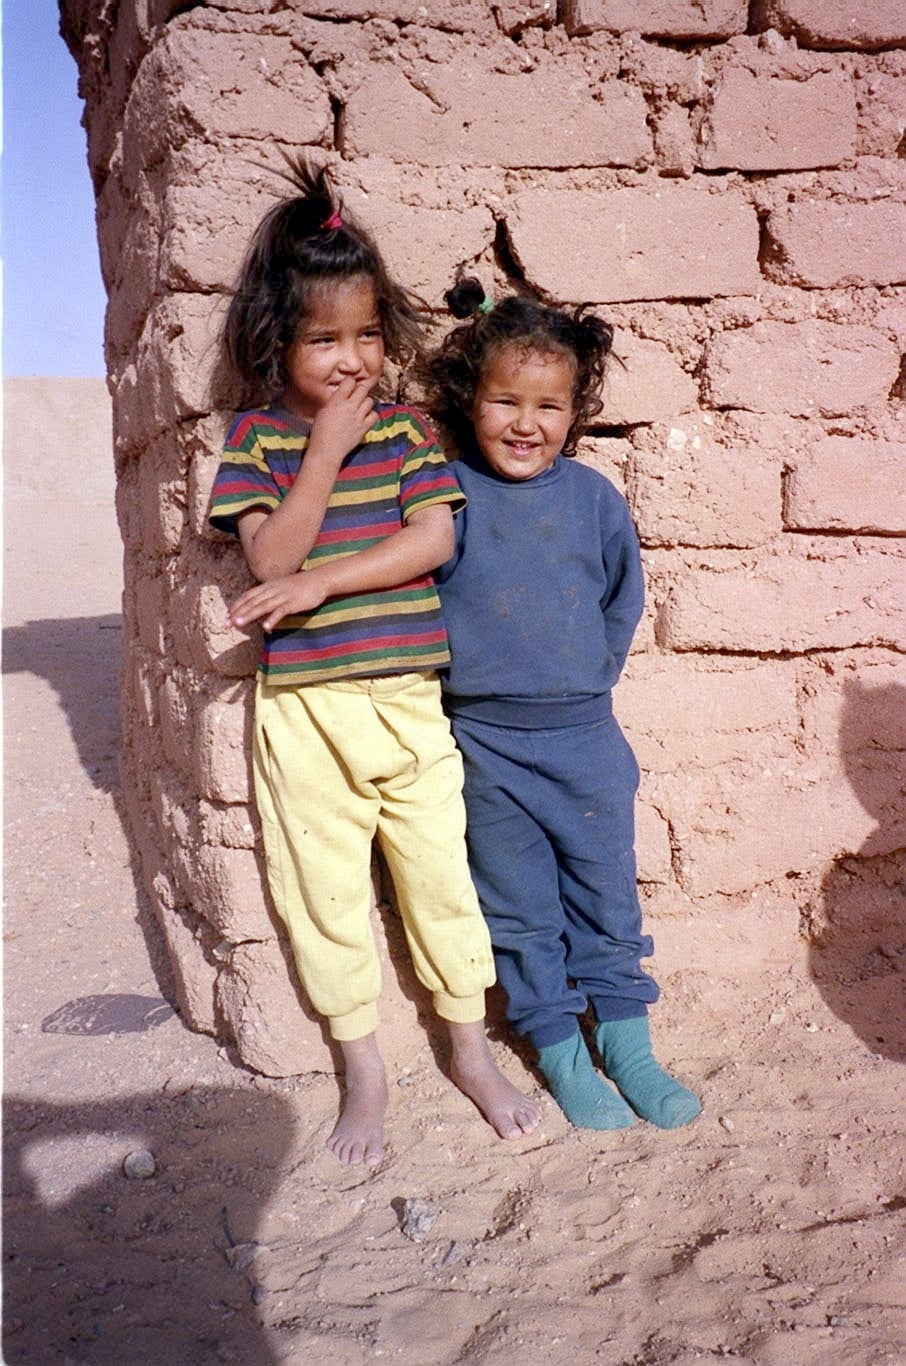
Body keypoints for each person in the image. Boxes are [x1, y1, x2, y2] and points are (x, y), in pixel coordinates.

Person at [209, 168, 541, 1166]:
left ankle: (469, 1048)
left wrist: (321, 585)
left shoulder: (403, 432)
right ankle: (363, 1066)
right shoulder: (258, 443)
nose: (351, 360)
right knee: (324, 892)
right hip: (305, 714)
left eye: (365, 337)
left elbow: (432, 541)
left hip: (405, 702)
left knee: (441, 879)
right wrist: (320, 457)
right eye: (324, 340)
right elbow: (268, 557)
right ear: (278, 346)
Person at [424, 278, 702, 1132]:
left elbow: (623, 598)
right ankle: (561, 1051)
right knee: (519, 910)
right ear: (471, 398)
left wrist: (586, 677)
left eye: (547, 405)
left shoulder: (592, 500)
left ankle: (628, 1045)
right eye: (504, 399)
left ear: (575, 412)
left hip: (584, 739)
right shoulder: (447, 496)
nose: (524, 422)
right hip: (486, 748)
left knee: (606, 894)